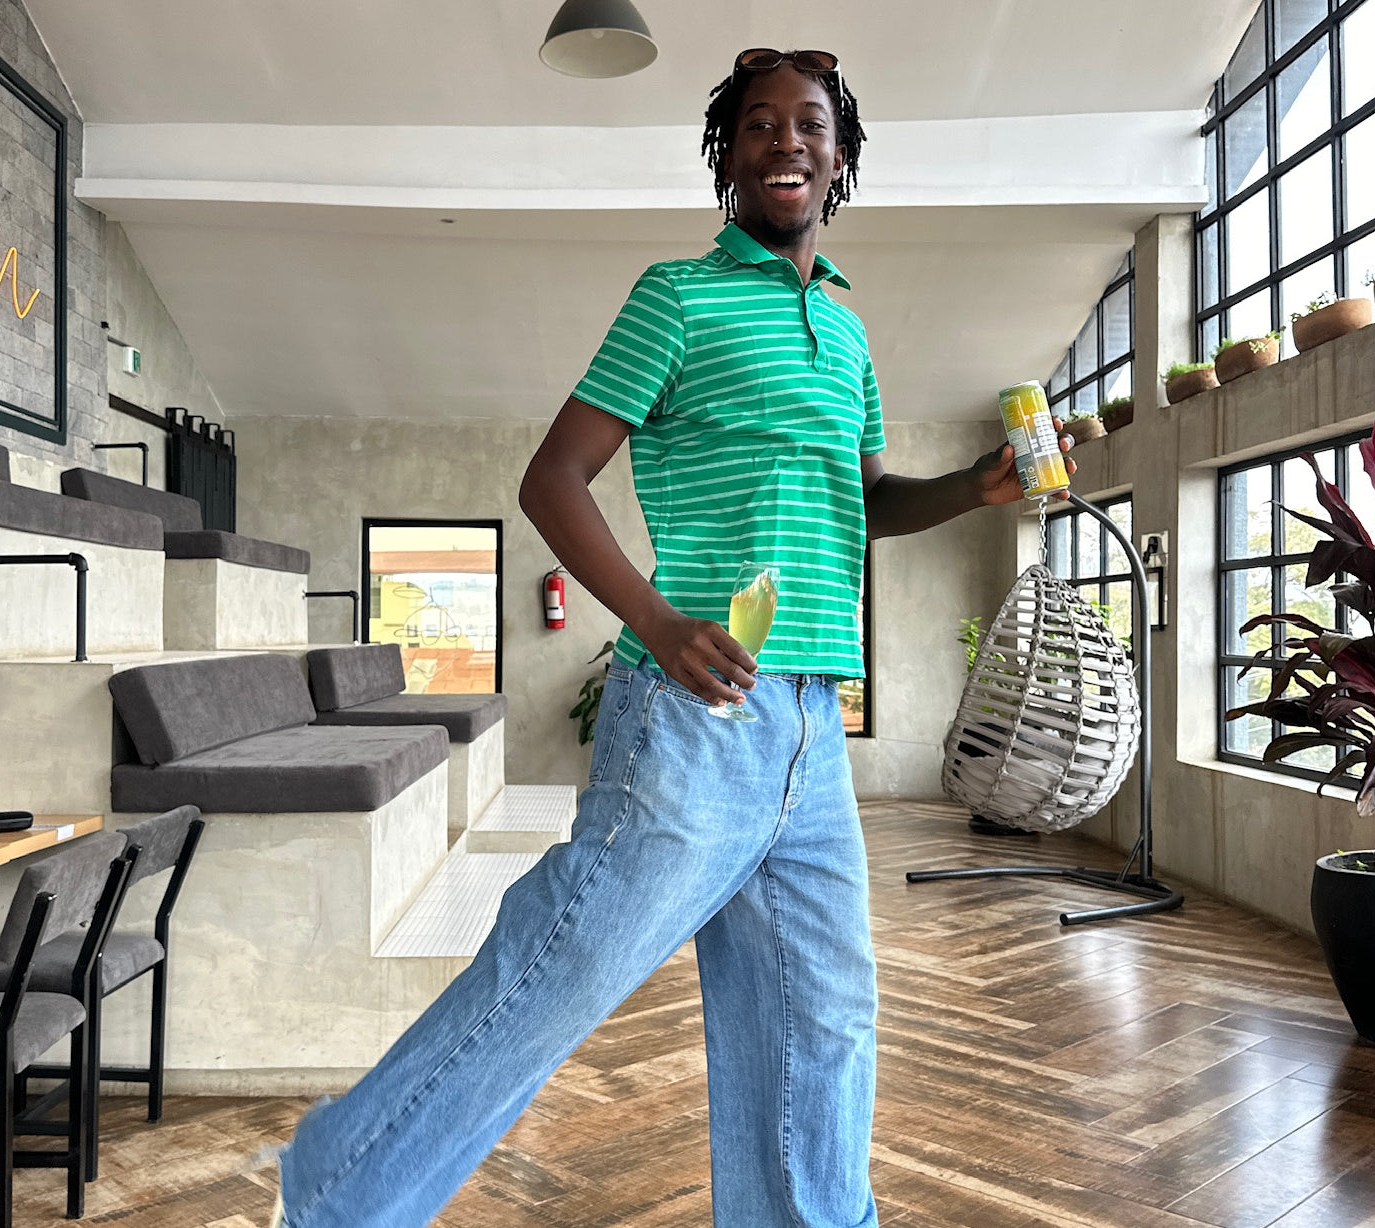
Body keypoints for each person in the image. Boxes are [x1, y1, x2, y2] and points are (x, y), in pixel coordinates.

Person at [271, 47, 1073, 1228]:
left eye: (808, 124)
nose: (785, 141)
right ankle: (335, 1192)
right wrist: (654, 618)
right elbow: (554, 480)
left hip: (809, 725)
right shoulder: (676, 297)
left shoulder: (847, 339)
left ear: (842, 156)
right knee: (560, 974)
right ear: (728, 155)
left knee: (821, 1016)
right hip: (691, 721)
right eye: (758, 125)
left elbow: (868, 502)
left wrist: (972, 487)